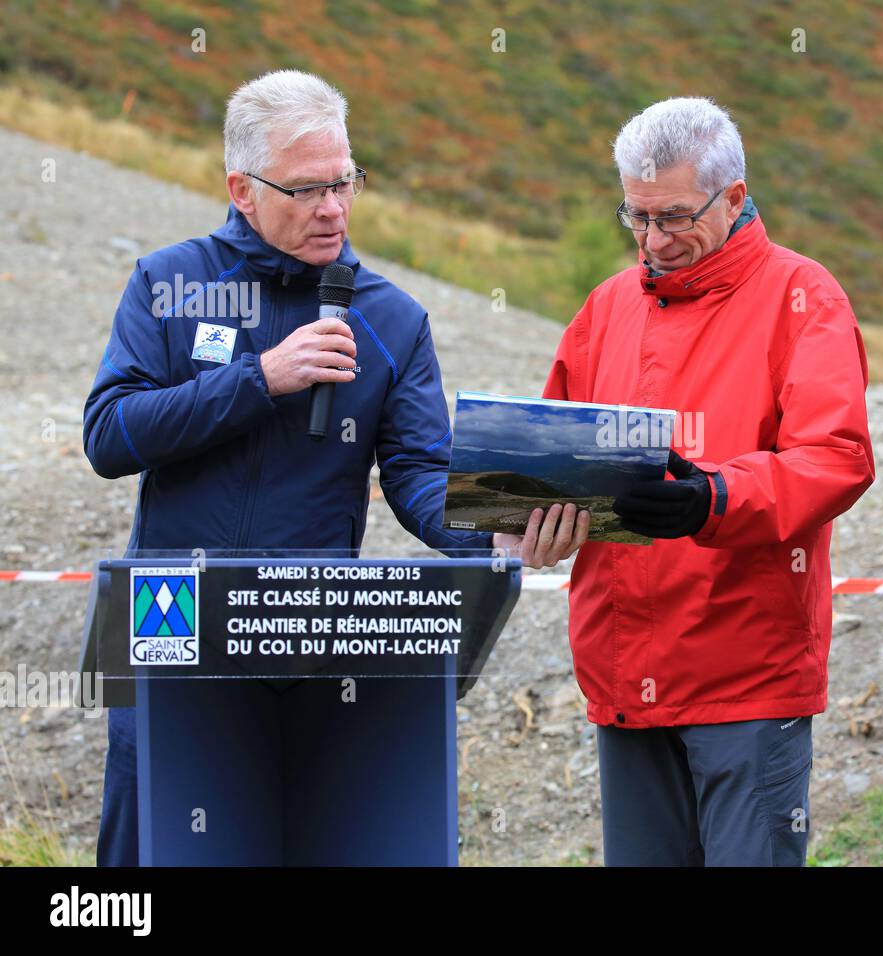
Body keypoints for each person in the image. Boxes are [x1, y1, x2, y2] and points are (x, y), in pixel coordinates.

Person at [84, 70, 583, 866]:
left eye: (345, 183)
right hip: (170, 625)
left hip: (309, 635)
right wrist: (260, 379)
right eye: (308, 189)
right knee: (152, 857)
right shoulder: (170, 285)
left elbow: (419, 476)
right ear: (242, 189)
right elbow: (109, 435)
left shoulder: (390, 318)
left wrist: (494, 541)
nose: (334, 209)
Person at [542, 97, 875, 866]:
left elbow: (835, 458)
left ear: (734, 197)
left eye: (674, 218)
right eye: (637, 216)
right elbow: (551, 453)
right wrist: (525, 522)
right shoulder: (606, 308)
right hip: (623, 671)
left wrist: (714, 498)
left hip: (746, 676)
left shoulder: (805, 297)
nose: (654, 241)